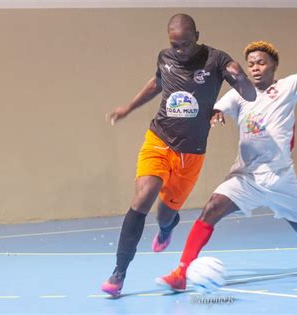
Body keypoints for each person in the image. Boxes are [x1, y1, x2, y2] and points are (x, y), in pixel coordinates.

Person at [156, 32, 297, 291]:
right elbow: (216, 107)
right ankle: (182, 271)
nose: (255, 68)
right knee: (211, 209)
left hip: (280, 179)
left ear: (273, 65)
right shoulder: (239, 94)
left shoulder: (289, 86)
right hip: (246, 177)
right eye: (251, 63)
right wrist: (216, 113)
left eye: (261, 63)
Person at [101, 13, 256, 297]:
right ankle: (119, 272)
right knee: (143, 196)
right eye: (175, 45)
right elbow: (157, 82)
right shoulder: (165, 57)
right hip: (159, 140)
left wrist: (241, 79)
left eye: (185, 44)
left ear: (197, 36)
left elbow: (250, 94)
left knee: (164, 214)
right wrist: (128, 107)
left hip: (192, 153)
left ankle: (168, 225)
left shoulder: (217, 60)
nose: (180, 50)